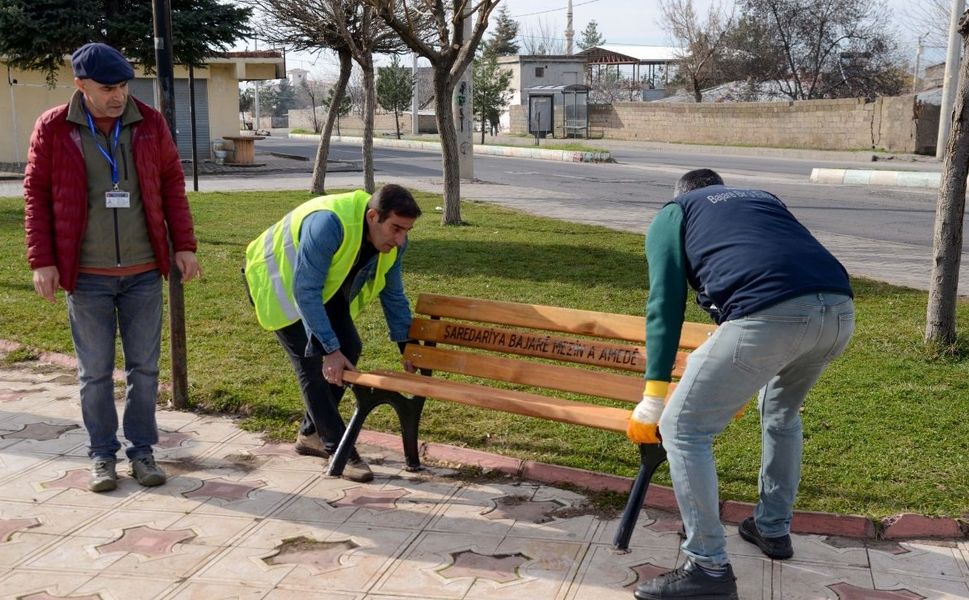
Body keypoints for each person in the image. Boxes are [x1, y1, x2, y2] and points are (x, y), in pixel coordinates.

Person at [627, 169, 854, 600]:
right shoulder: (763, 198)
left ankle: (707, 567)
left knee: (683, 429)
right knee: (782, 414)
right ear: (720, 189)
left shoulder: (673, 213)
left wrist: (653, 396)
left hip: (772, 313)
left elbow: (664, 306)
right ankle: (772, 529)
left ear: (680, 195)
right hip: (839, 310)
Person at [23, 43, 201, 493]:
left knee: (144, 369)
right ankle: (102, 455)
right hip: (86, 276)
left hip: (143, 272)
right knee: (95, 373)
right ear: (80, 84)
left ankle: (142, 451)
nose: (118, 95)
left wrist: (185, 245)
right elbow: (36, 197)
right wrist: (42, 259)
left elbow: (172, 186)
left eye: (123, 85)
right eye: (108, 88)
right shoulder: (53, 128)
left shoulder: (149, 123)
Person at [244, 184, 421, 483]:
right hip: (278, 284)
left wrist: (407, 347)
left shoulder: (394, 244)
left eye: (406, 230)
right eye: (395, 229)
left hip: (321, 290)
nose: (401, 239)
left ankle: (311, 434)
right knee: (313, 363)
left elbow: (393, 296)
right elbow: (305, 290)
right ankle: (339, 448)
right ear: (373, 216)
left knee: (349, 347)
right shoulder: (329, 223)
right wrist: (327, 350)